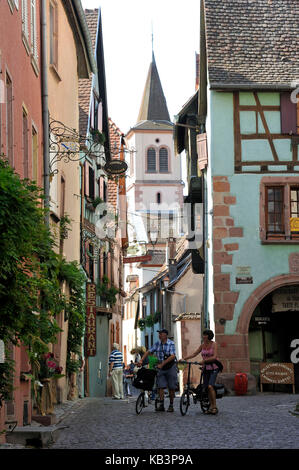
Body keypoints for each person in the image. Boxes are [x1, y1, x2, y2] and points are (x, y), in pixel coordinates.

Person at [180, 329, 220, 415]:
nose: (204, 336)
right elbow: (194, 354)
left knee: (210, 386)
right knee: (206, 387)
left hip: (214, 367)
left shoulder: (214, 344)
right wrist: (184, 359)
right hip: (205, 368)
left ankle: (214, 406)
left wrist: (205, 361)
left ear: (209, 336)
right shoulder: (202, 345)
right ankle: (210, 406)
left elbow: (215, 356)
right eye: (203, 335)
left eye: (205, 335)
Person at [138, 329, 177, 412]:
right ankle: (162, 405)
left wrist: (162, 364)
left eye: (161, 334)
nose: (159, 335)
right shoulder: (157, 344)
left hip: (170, 367)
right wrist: (141, 360)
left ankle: (171, 405)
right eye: (159, 334)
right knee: (160, 386)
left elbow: (173, 356)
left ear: (165, 335)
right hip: (161, 367)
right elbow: (148, 351)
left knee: (171, 387)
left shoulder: (171, 343)